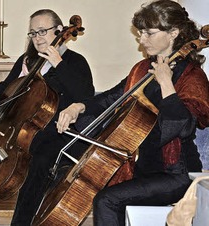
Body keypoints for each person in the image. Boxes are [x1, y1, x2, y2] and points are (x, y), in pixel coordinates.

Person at [56, 1, 209, 225]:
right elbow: (112, 97)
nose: (141, 39)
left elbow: (183, 126)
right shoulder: (142, 69)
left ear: (173, 33)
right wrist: (79, 106)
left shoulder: (192, 77)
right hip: (142, 168)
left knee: (107, 200)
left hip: (176, 174)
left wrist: (167, 83)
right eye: (140, 33)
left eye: (149, 33)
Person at [0, 9, 95, 226]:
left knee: (40, 160)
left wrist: (59, 63)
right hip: (22, 127)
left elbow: (85, 95)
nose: (37, 38)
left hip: (58, 130)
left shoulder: (75, 61)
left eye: (42, 32)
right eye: (32, 33)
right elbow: (6, 86)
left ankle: (21, 222)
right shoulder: (27, 60)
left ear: (59, 31)